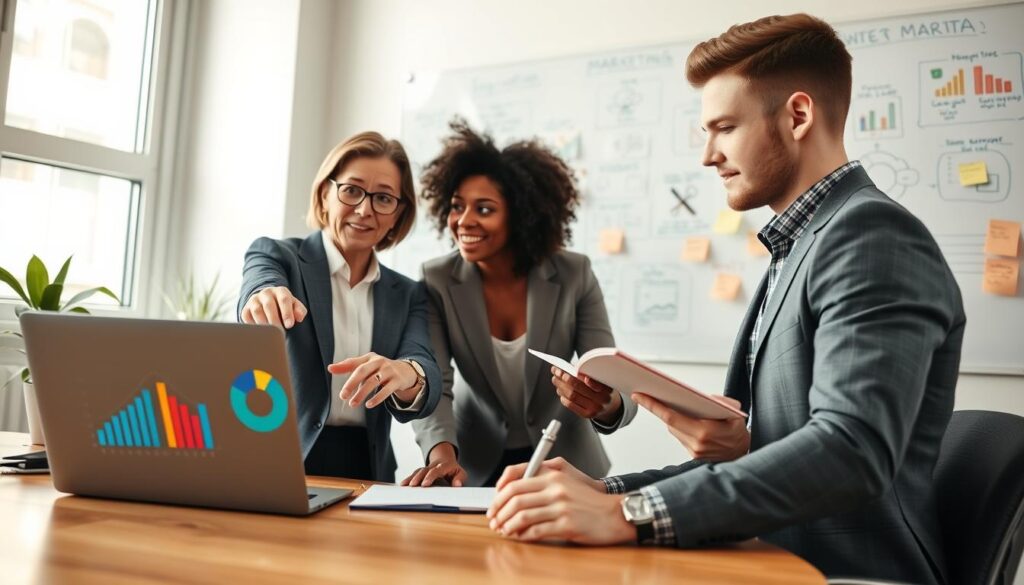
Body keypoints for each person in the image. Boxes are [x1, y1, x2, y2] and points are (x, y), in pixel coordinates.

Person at [486, 14, 965, 585]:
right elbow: (774, 458)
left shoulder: (872, 237)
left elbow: (849, 450)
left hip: (847, 573)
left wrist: (626, 514)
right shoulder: (803, 244)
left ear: (798, 116)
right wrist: (606, 491)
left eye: (724, 127)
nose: (708, 155)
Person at [402, 120, 638, 488]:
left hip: (566, 462)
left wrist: (604, 403)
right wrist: (441, 455)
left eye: (484, 209)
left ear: (521, 214)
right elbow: (437, 381)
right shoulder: (437, 280)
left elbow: (611, 372)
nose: (464, 221)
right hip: (473, 463)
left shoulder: (574, 273)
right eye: (457, 207)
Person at [238, 131, 442, 482]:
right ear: (325, 194)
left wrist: (407, 373)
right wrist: (264, 295)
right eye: (351, 190)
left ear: (397, 213)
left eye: (383, 198)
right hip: (281, 461)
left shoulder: (408, 293)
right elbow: (260, 282)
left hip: (368, 467)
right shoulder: (277, 256)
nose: (365, 209)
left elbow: (424, 365)